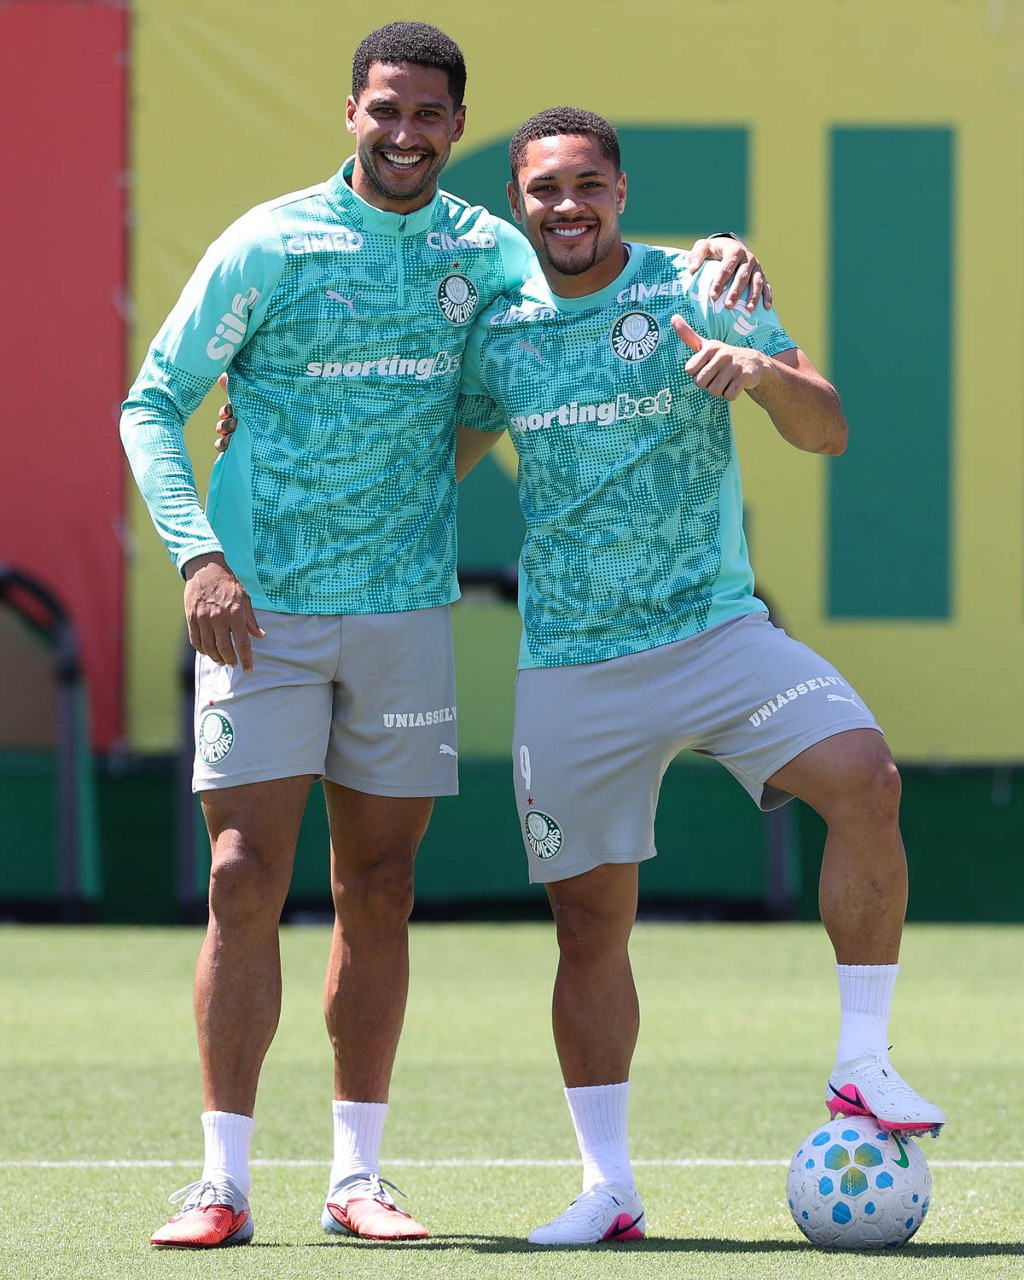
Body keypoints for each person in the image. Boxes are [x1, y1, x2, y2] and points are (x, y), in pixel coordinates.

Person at [121, 21, 764, 1250]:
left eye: (428, 114)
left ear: (458, 126)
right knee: (243, 875)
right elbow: (152, 400)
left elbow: (592, 275)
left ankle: (356, 1176)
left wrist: (716, 258)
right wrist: (200, 555)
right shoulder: (270, 241)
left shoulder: (493, 250)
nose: (405, 132)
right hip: (259, 609)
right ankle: (219, 1180)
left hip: (406, 611)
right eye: (385, 109)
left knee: (379, 887)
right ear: (350, 113)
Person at [453, 106, 945, 1246]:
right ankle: (608, 1188)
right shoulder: (498, 325)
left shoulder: (703, 283)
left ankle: (862, 1060)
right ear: (517, 202)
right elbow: (440, 459)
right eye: (543, 189)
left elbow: (826, 430)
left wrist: (759, 371)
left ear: (622, 191)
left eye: (588, 184)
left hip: (718, 637)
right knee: (590, 927)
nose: (566, 206)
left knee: (866, 779)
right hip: (572, 661)